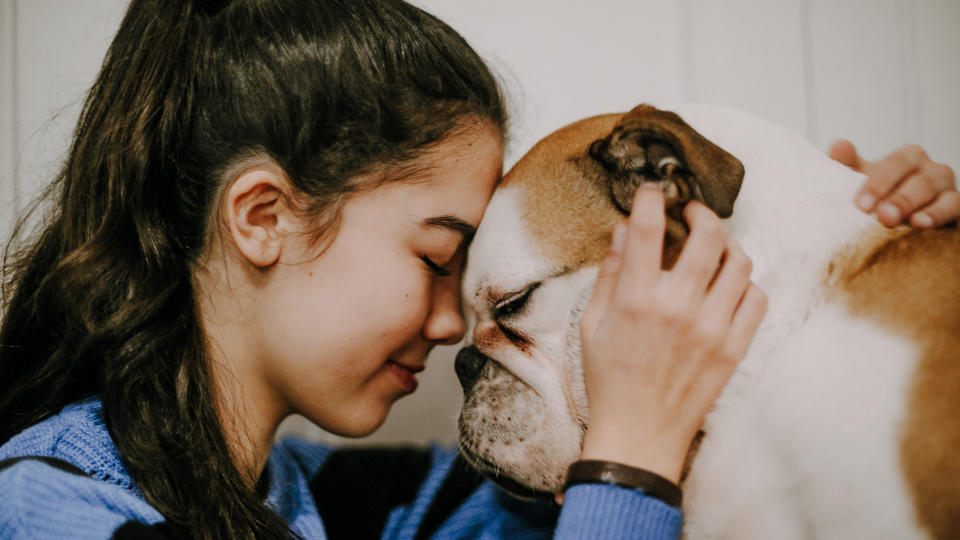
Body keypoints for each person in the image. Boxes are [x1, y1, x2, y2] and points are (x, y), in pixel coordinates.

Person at [0, 1, 956, 539]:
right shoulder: (50, 510)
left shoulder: (358, 505)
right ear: (264, 218)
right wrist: (626, 454)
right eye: (434, 255)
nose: (454, 324)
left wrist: (851, 243)